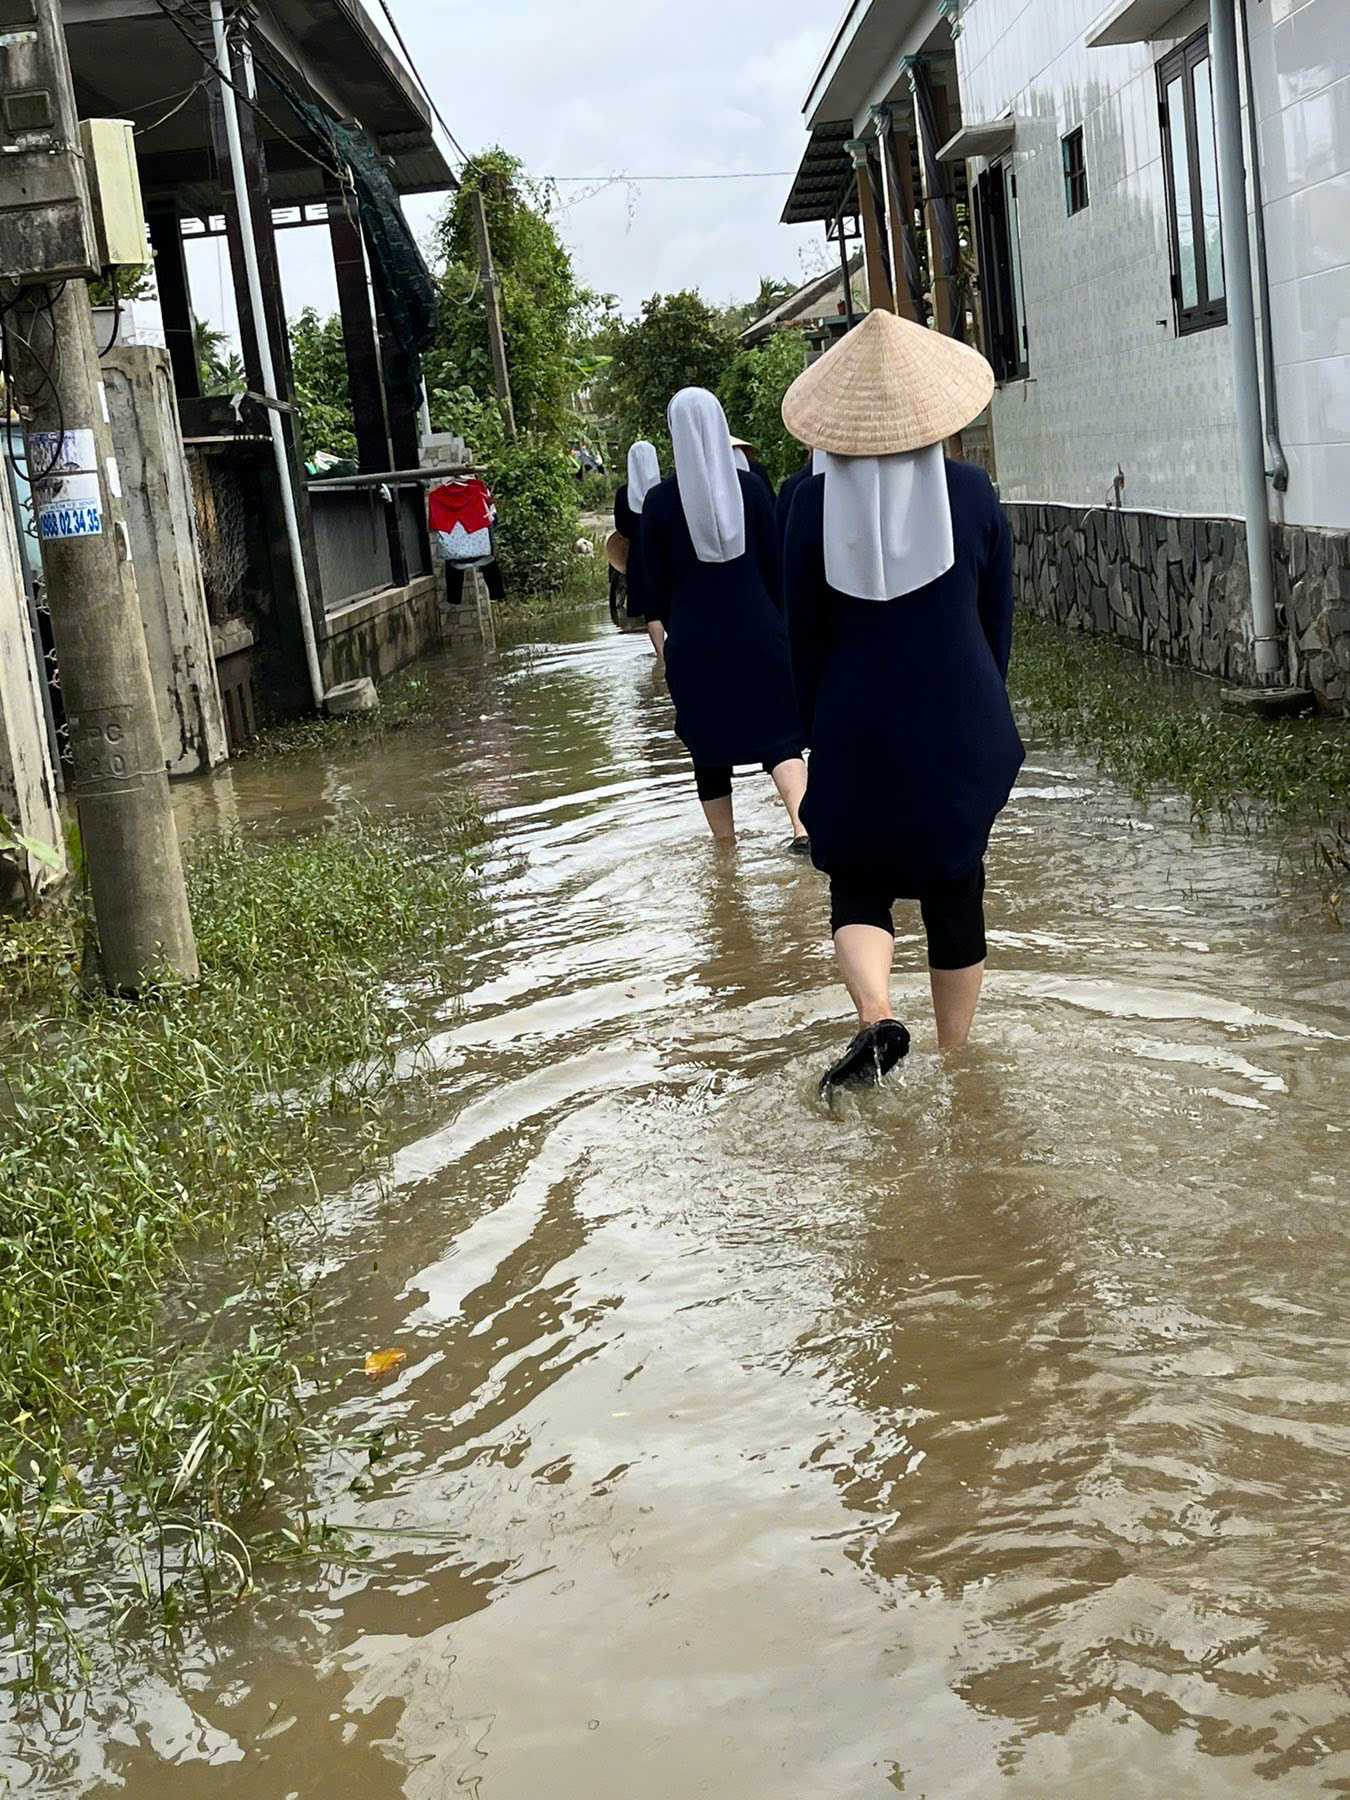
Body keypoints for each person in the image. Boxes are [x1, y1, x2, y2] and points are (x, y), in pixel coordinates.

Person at [781, 309, 1024, 1092]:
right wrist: (976, 715)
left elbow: (803, 638)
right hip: (960, 723)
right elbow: (995, 623)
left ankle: (878, 1014)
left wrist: (821, 728)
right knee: (955, 883)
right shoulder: (973, 493)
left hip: (854, 725)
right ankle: (957, 1066)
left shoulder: (805, 505)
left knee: (857, 881)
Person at [641, 387, 808, 848]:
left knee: (708, 752)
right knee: (780, 737)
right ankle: (803, 828)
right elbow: (776, 570)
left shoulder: (658, 502)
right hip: (761, 634)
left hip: (694, 644)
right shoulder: (752, 488)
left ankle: (725, 854)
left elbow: (654, 590)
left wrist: (675, 637)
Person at [613, 440, 660, 630]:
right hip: (666, 552)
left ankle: (659, 648)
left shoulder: (622, 494)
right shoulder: (667, 489)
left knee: (650, 612)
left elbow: (621, 528)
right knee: (670, 603)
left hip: (638, 556)